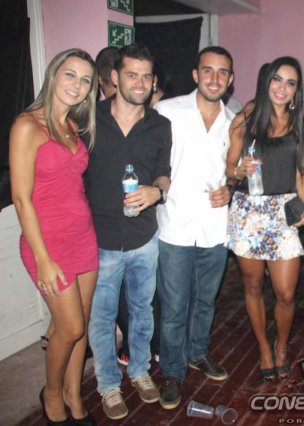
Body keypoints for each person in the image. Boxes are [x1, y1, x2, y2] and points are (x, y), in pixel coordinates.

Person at [10, 48, 99, 425]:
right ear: (53, 75)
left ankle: (73, 394)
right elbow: (20, 198)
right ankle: (51, 393)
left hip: (83, 236)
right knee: (70, 327)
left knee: (83, 326)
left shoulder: (72, 127)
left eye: (85, 80)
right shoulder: (27, 126)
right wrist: (43, 259)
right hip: (47, 244)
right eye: (70, 74)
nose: (77, 85)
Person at [85, 43, 172, 420]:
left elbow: (164, 173)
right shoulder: (88, 119)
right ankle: (108, 384)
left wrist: (157, 192)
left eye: (146, 76)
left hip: (143, 237)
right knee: (102, 316)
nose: (140, 82)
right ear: (115, 77)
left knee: (141, 310)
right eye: (131, 74)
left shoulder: (160, 125)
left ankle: (139, 370)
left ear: (154, 82)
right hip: (99, 239)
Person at [154, 46, 235, 409]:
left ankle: (197, 352)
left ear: (231, 79)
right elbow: (152, 161)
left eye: (222, 72)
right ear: (195, 74)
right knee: (174, 305)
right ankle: (172, 371)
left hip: (214, 228)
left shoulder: (235, 122)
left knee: (205, 300)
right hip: (175, 225)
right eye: (208, 70)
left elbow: (236, 170)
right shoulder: (167, 111)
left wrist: (230, 188)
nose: (214, 78)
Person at [226, 56, 304, 381]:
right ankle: (264, 346)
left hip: (283, 213)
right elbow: (229, 169)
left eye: (290, 83)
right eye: (277, 79)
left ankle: (282, 346)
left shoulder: (300, 125)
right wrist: (239, 171)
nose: (282, 87)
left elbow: (300, 174)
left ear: (296, 90)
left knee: (286, 292)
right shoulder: (247, 117)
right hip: (248, 212)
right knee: (252, 285)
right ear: (267, 81)